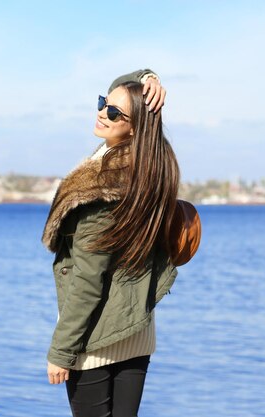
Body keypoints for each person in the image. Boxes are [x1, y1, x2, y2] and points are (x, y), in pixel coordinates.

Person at [40, 68, 180, 417]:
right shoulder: (149, 170)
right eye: (104, 103)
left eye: (115, 112)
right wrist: (147, 78)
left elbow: (89, 279)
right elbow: (127, 95)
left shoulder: (102, 186)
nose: (103, 112)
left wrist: (61, 351)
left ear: (133, 127)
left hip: (97, 340)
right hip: (137, 331)